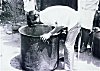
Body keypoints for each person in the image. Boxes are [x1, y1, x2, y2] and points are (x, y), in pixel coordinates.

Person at [38, 6, 81, 71]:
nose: (37, 23)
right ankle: (66, 59)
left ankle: (69, 69)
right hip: (72, 18)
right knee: (67, 45)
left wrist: (49, 34)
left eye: (35, 22)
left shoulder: (45, 16)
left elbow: (60, 26)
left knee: (68, 45)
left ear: (36, 17)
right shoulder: (44, 13)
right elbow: (57, 22)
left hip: (75, 22)